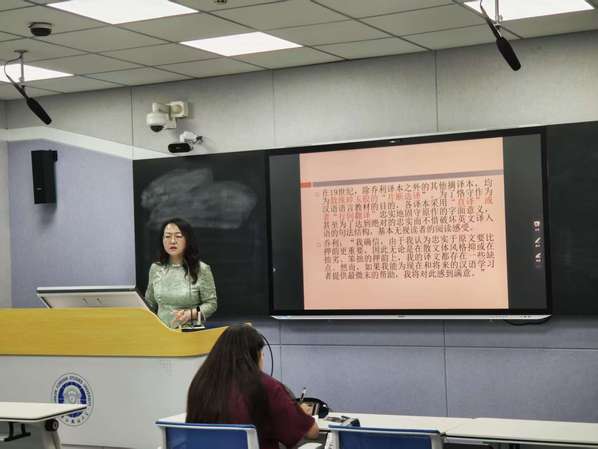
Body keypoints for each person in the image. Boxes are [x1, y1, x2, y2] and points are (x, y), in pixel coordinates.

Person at [187, 324, 319, 449]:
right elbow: (312, 432)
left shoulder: (201, 383)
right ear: (254, 355)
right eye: (261, 352)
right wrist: (300, 412)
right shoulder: (266, 387)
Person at [145, 218, 217, 328]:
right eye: (167, 236)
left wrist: (190, 314)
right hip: (160, 332)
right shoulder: (156, 268)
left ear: (187, 240)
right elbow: (149, 304)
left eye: (178, 236)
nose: (172, 241)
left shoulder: (201, 269)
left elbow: (211, 304)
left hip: (188, 331)